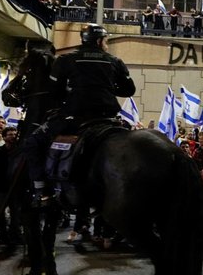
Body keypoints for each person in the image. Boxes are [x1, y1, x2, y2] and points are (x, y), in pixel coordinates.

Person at [26, 23, 136, 204]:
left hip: (75, 118)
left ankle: (42, 189)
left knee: (33, 142)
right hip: (108, 119)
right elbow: (128, 90)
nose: (106, 44)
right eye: (106, 40)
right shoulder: (115, 61)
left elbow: (54, 91)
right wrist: (106, 87)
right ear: (100, 41)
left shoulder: (65, 60)